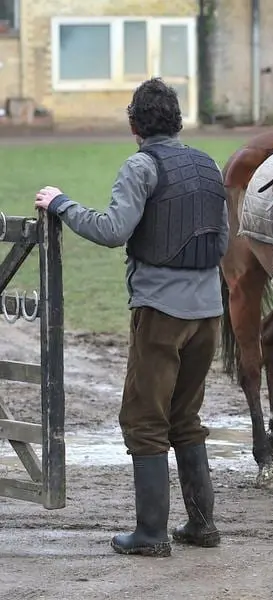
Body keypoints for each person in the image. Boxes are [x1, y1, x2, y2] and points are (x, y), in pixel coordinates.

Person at [34, 77, 229, 558]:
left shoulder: (141, 166)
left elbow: (113, 230)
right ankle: (202, 526)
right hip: (209, 313)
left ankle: (150, 534)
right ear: (178, 119)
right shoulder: (207, 165)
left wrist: (61, 204)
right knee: (186, 417)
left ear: (133, 123)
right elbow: (223, 239)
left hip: (161, 313)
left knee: (144, 418)